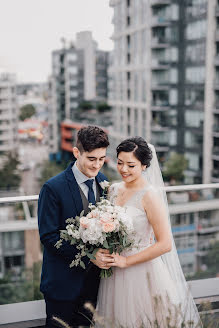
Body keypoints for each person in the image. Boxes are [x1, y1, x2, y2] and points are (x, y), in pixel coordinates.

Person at [96, 137, 202, 328]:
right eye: (120, 163)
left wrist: (126, 261)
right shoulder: (112, 189)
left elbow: (165, 244)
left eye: (131, 165)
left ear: (144, 166)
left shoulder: (150, 195)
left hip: (140, 271)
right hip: (114, 272)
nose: (124, 169)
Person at [38, 126, 113, 328]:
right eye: (91, 159)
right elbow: (48, 236)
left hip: (94, 286)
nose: (97, 165)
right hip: (61, 285)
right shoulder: (52, 188)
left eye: (101, 159)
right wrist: (89, 255)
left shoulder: (104, 182)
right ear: (76, 152)